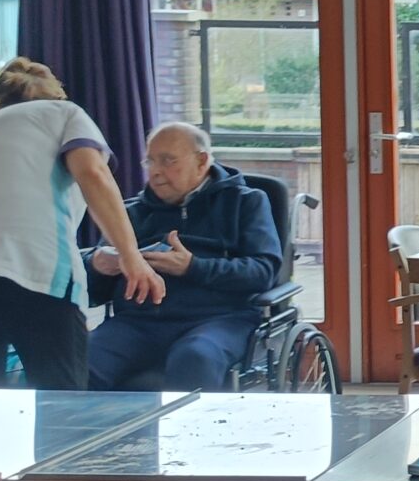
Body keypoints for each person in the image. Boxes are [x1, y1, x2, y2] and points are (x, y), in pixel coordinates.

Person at [0, 60, 161, 390]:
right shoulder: (65, 113)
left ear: (2, 101)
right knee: (61, 400)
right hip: (28, 257)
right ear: (56, 95)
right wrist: (131, 256)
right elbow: (93, 173)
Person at [86, 124, 281, 392]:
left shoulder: (245, 202)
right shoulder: (131, 213)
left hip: (220, 319)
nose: (155, 171)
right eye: (150, 161)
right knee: (81, 362)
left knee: (195, 358)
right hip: (137, 322)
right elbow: (95, 293)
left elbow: (263, 272)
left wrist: (193, 267)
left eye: (168, 161)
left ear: (201, 161)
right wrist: (97, 266)